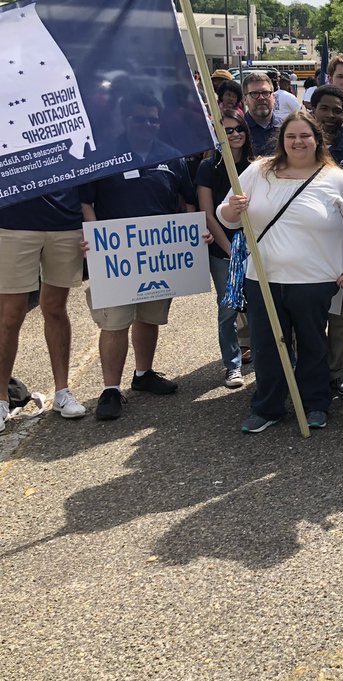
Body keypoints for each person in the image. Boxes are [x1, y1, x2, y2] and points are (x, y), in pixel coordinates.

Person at [219, 111, 343, 433]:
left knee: (313, 345)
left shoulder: (338, 179)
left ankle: (314, 404)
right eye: (291, 137)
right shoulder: (258, 171)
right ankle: (268, 406)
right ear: (282, 141)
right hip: (262, 278)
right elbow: (226, 216)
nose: (298, 142)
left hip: (315, 281)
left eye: (305, 136)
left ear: (317, 140)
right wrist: (232, 209)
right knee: (267, 345)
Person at [80, 91, 203, 421]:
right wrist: (95, 238)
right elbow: (86, 202)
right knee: (116, 322)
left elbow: (187, 201)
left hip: (158, 256)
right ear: (125, 119)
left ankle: (143, 374)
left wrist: (192, 233)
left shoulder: (172, 156)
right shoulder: (104, 156)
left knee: (150, 317)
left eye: (152, 119)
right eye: (139, 118)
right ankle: (110, 389)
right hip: (116, 256)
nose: (147, 124)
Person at [0, 190, 88, 430]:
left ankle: (63, 392)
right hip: (12, 221)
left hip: (65, 221)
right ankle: (1, 399)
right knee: (10, 315)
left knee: (55, 309)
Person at [195, 110, 256, 389]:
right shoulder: (208, 168)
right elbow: (207, 213)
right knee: (228, 308)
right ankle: (232, 365)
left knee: (261, 306)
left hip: (258, 248)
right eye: (227, 130)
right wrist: (229, 249)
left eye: (238, 128)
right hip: (225, 250)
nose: (234, 134)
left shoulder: (257, 165)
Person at [310, 83, 343, 395]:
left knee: (339, 314)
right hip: (306, 246)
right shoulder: (298, 148)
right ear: (312, 111)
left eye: (338, 110)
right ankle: (311, 371)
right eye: (325, 109)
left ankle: (338, 371)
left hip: (340, 247)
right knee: (307, 315)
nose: (331, 115)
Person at [242, 71, 288, 154]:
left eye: (266, 93)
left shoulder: (286, 128)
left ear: (273, 97)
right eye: (255, 93)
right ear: (245, 99)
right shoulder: (238, 131)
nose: (261, 98)